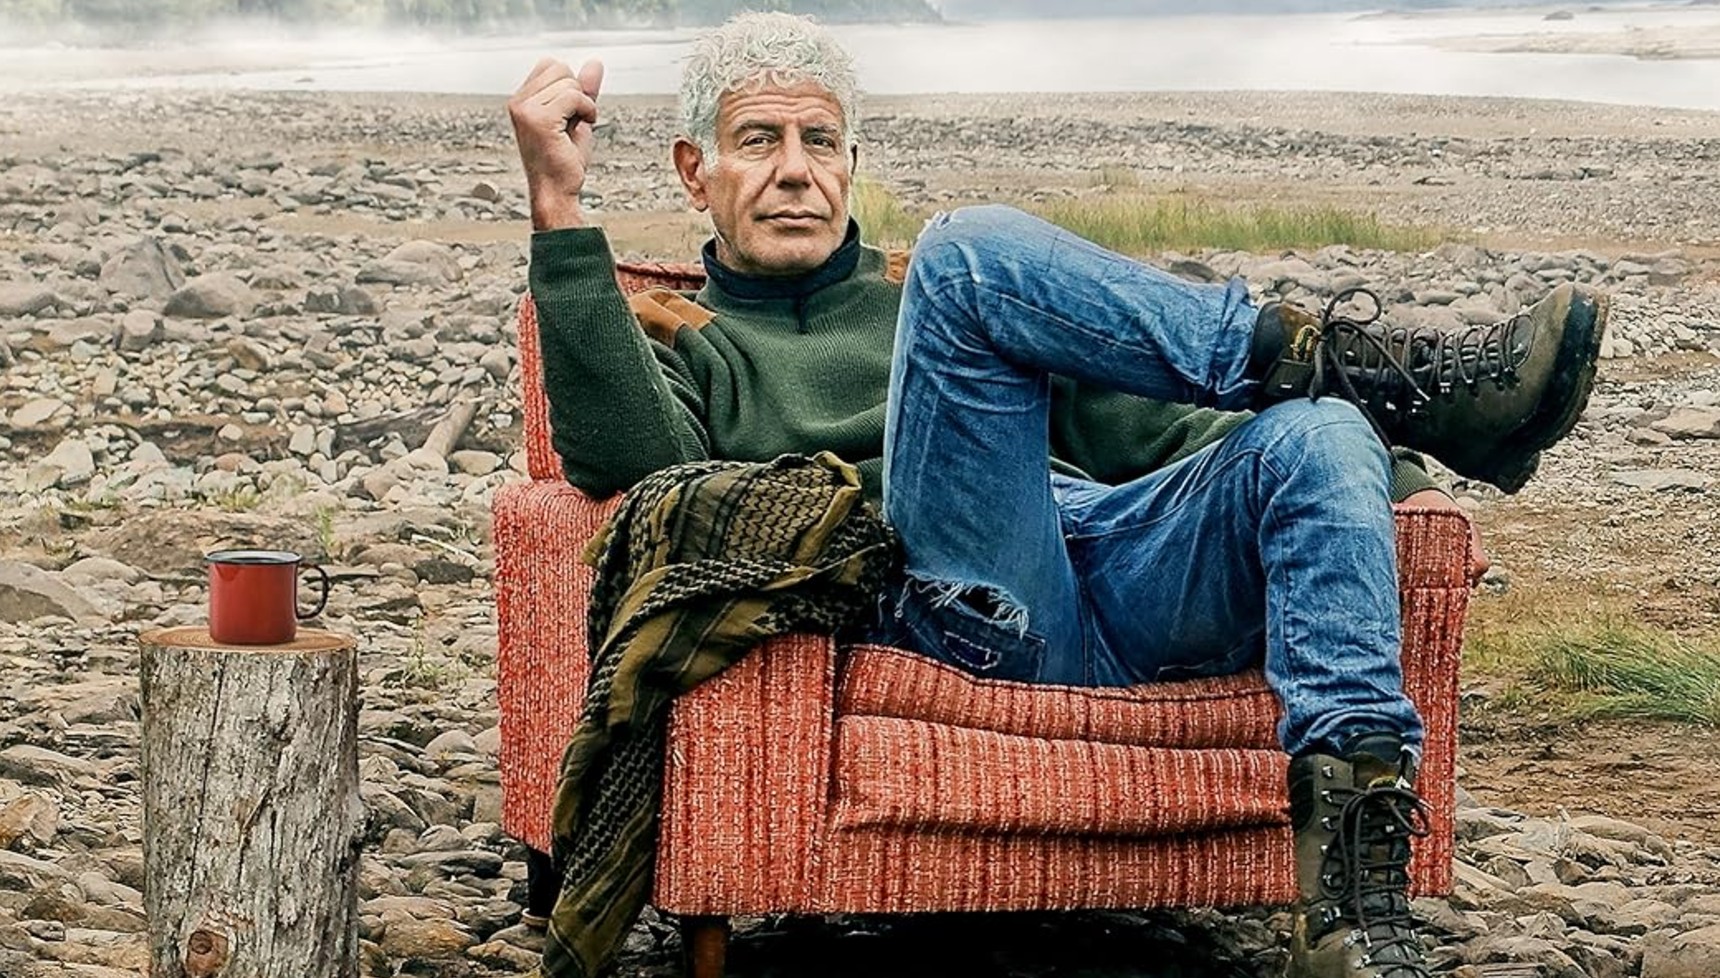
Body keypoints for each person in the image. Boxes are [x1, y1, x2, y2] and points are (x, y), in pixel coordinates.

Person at [507, 13, 1607, 978]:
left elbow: (1171, 432)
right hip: (954, 601)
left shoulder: (966, 314)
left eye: (820, 141)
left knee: (1317, 430)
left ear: (850, 163)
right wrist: (558, 208)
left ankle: (1352, 920)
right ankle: (1387, 376)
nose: (796, 171)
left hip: (1117, 580)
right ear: (694, 169)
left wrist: (1385, 483)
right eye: (759, 140)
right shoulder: (692, 334)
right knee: (966, 252)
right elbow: (639, 475)